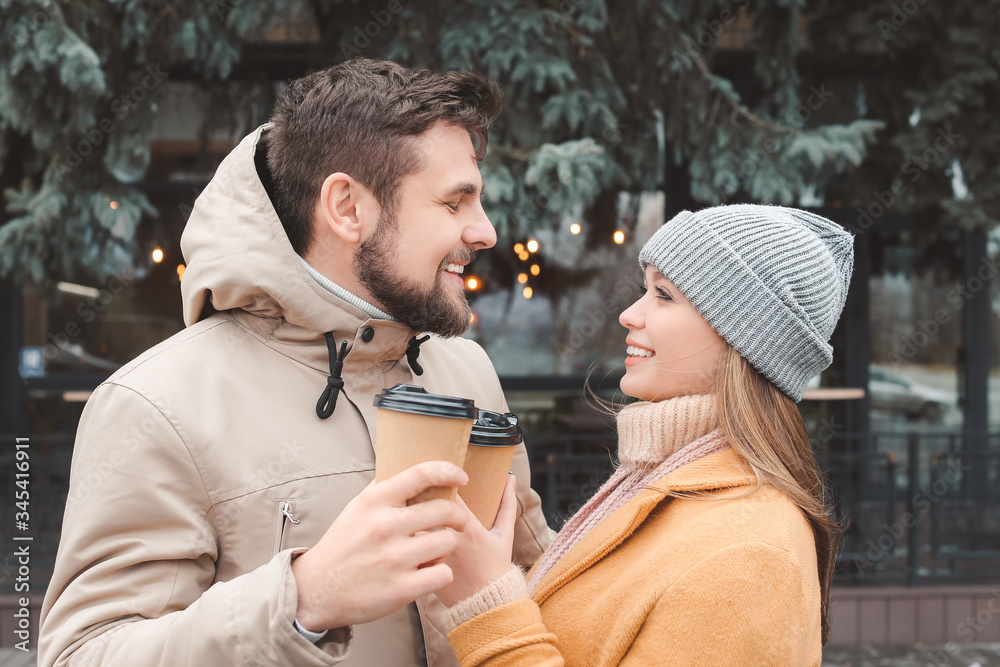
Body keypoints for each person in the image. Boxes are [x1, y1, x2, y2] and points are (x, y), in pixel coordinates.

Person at [38, 58, 553, 667]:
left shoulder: (467, 372)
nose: (486, 231)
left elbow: (533, 580)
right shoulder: (155, 405)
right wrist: (303, 600)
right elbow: (81, 656)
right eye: (454, 202)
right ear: (346, 207)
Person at [430, 204, 854, 666]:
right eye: (643, 290)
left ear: (743, 339)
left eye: (664, 295)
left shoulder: (748, 552)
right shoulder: (663, 486)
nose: (630, 315)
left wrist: (488, 606)